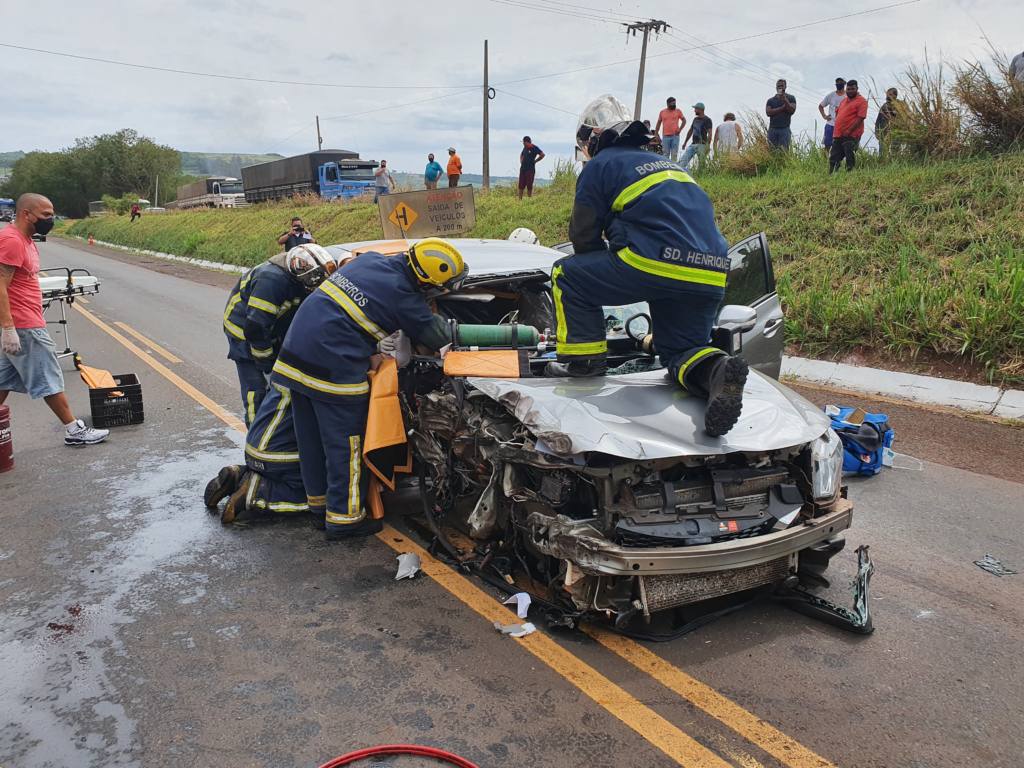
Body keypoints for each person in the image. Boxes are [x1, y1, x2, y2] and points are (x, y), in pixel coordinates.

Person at [550, 119, 749, 438]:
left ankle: (584, 363)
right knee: (681, 351)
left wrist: (600, 262)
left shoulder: (601, 165)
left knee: (567, 276)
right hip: (710, 271)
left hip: (653, 262)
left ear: (595, 143)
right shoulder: (671, 168)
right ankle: (718, 371)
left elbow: (583, 235)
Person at [269, 239, 467, 539]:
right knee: (345, 444)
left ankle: (320, 508)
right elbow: (437, 335)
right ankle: (344, 519)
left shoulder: (370, 260)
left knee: (310, 439)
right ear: (427, 281)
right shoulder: (404, 296)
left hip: (296, 354)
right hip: (332, 365)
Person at [0, 193, 108, 446]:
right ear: (26, 213)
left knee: (3, 380)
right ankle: (74, 429)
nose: (50, 219)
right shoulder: (12, 240)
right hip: (24, 324)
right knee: (49, 376)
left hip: (24, 320)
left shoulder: (26, 240)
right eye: (45, 215)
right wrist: (8, 328)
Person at [223, 243, 336, 425]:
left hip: (271, 326)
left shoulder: (300, 279)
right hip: (244, 333)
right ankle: (255, 433)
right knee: (256, 388)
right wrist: (265, 361)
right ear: (303, 274)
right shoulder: (271, 281)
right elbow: (256, 327)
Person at [830, 79, 868, 173]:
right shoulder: (844, 101)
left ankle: (849, 175)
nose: (850, 91)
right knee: (834, 156)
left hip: (851, 134)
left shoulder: (862, 101)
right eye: (848, 89)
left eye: (852, 89)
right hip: (838, 134)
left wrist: (849, 130)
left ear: (857, 89)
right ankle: (831, 175)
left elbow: (861, 117)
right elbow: (838, 113)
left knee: (849, 156)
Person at [679, 103, 712, 171]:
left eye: (696, 109)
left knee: (701, 165)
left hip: (702, 145)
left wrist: (707, 145)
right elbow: (690, 131)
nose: (694, 110)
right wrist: (685, 142)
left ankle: (701, 177)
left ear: (700, 109)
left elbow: (710, 133)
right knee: (682, 161)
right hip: (693, 144)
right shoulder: (695, 119)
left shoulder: (707, 120)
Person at [766, 79, 797, 149]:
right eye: (778, 86)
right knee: (772, 152)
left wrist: (785, 100)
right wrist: (782, 108)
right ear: (776, 87)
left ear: (785, 86)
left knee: (784, 153)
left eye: (782, 86)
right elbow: (768, 112)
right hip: (772, 129)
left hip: (785, 129)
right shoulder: (771, 100)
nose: (780, 87)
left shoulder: (791, 98)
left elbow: (792, 110)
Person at [818, 78, 847, 150]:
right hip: (830, 125)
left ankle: (837, 161)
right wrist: (824, 116)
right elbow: (821, 106)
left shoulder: (847, 96)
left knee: (841, 148)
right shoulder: (831, 95)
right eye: (837, 83)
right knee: (827, 147)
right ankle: (824, 161)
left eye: (840, 82)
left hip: (843, 126)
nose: (839, 84)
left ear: (844, 84)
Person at [874, 87, 904, 157]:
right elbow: (878, 120)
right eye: (887, 94)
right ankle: (882, 165)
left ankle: (894, 165)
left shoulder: (901, 105)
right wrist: (877, 132)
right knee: (882, 153)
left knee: (895, 151)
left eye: (890, 94)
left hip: (897, 132)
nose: (887, 96)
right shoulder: (884, 106)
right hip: (884, 133)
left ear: (895, 95)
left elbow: (905, 117)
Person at [654, 97, 686, 161]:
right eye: (672, 103)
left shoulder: (678, 111)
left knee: (674, 154)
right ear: (668, 104)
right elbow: (658, 123)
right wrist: (656, 133)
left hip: (675, 136)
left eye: (674, 103)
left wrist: (680, 129)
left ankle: (674, 169)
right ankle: (666, 169)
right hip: (665, 136)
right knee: (665, 155)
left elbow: (684, 120)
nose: (674, 105)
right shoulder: (662, 112)